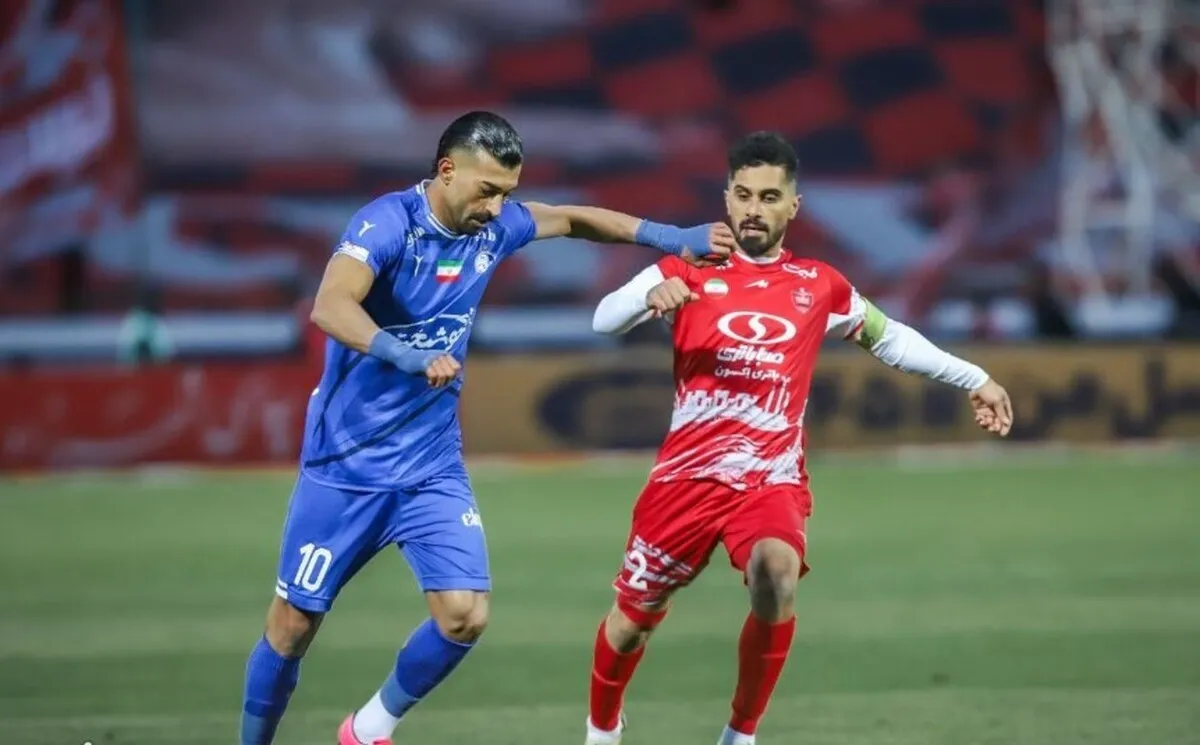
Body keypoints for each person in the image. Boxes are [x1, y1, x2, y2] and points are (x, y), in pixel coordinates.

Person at [237, 110, 736, 745]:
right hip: (346, 466)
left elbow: (572, 218)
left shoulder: (494, 228)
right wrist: (404, 354)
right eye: (488, 191)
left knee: (464, 616)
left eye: (507, 193)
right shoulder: (386, 223)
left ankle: (366, 729)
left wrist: (669, 236)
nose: (499, 208)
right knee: (292, 627)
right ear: (447, 171)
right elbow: (331, 305)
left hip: (431, 468)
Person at [584, 131, 1014, 745]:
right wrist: (647, 298)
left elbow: (890, 338)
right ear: (726, 198)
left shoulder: (819, 283)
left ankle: (740, 736)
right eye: (742, 195)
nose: (753, 209)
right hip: (685, 479)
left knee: (776, 576)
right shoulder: (686, 264)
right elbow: (603, 319)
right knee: (633, 620)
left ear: (793, 205)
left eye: (768, 197)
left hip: (770, 480)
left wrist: (976, 377)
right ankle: (602, 729)